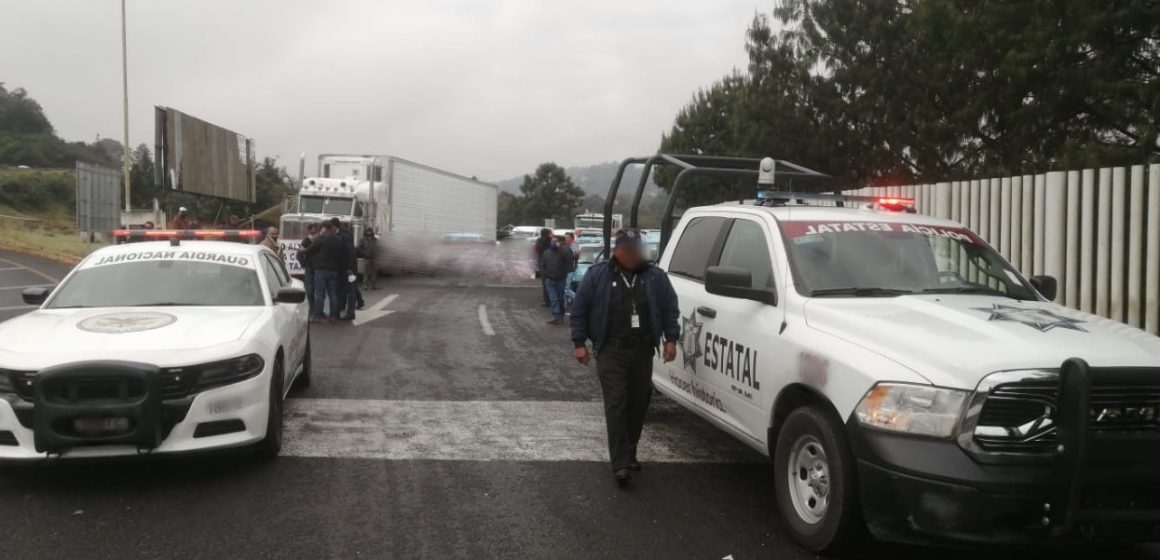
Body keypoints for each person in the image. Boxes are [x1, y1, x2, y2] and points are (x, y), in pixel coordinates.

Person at [570, 228, 680, 485]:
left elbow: (669, 309)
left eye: (635, 249)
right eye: (626, 250)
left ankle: (630, 450)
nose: (632, 255)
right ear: (617, 251)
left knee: (638, 404)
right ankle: (620, 463)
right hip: (611, 350)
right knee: (616, 402)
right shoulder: (597, 275)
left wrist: (671, 339)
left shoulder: (655, 277)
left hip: (642, 350)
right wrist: (579, 342)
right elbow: (580, 309)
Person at [303, 221, 344, 323]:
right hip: (334, 270)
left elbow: (309, 250)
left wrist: (302, 250)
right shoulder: (338, 240)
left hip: (321, 269)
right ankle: (333, 316)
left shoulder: (320, 239)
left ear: (323, 228)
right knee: (332, 294)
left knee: (319, 294)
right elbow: (341, 255)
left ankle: (317, 316)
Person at [539, 235, 574, 325]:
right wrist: (545, 274)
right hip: (550, 279)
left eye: (555, 241)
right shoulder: (547, 252)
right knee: (554, 299)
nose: (553, 243)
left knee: (560, 299)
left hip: (561, 279)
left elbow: (569, 259)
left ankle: (560, 316)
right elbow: (542, 264)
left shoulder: (564, 251)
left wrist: (560, 248)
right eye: (552, 241)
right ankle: (555, 316)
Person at [298, 223, 319, 313]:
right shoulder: (306, 241)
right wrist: (304, 264)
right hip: (310, 268)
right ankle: (312, 309)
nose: (314, 234)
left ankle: (317, 310)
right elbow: (299, 254)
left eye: (315, 232)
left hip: (318, 268)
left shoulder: (318, 240)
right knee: (310, 290)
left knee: (317, 290)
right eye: (313, 232)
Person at [533, 228, 553, 307]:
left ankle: (546, 299)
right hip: (551, 262)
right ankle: (552, 298)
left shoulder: (539, 241)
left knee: (545, 282)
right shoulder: (551, 241)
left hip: (542, 262)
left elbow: (535, 250)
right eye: (550, 233)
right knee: (552, 281)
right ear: (547, 234)